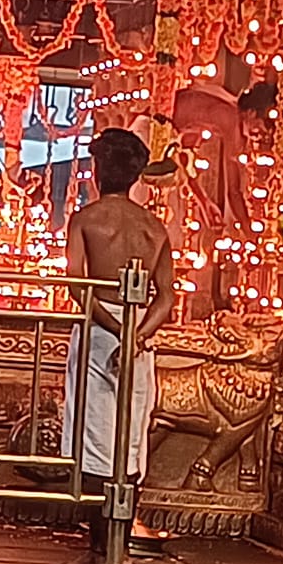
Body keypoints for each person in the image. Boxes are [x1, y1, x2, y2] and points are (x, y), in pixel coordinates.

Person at [64, 128, 176, 542]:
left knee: (95, 432)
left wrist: (114, 329)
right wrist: (137, 336)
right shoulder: (154, 228)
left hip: (100, 330)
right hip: (140, 332)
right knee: (131, 433)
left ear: (97, 171)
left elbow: (77, 283)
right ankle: (119, 538)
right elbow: (166, 298)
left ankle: (99, 542)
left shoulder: (86, 220)